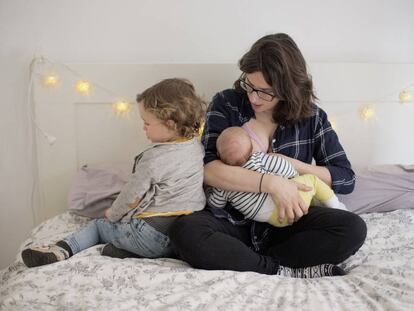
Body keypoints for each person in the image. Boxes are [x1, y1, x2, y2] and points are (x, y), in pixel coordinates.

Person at [169, 33, 367, 278]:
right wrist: (271, 184)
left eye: (265, 92)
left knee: (353, 229)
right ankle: (277, 268)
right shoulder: (227, 103)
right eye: (249, 85)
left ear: (289, 88)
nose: (253, 97)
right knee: (185, 230)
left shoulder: (312, 118)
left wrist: (291, 166)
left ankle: (250, 260)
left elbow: (345, 178)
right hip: (233, 223)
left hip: (290, 222)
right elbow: (208, 170)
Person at [22, 78, 207, 267]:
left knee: (98, 226)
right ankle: (125, 252)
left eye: (147, 123)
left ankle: (61, 250)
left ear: (171, 124)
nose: (143, 128)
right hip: (181, 239)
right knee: (135, 237)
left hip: (150, 237)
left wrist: (112, 214)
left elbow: (131, 196)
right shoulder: (196, 148)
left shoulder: (153, 159)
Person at [209, 124, 346, 227]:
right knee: (312, 181)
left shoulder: (225, 183)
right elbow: (284, 167)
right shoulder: (259, 159)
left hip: (271, 219)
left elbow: (215, 203)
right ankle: (337, 206)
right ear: (251, 147)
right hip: (292, 204)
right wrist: (292, 179)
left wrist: (210, 191)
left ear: (219, 156)